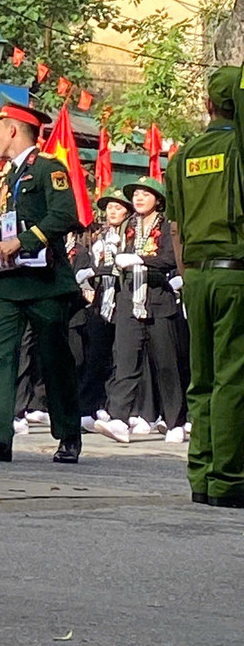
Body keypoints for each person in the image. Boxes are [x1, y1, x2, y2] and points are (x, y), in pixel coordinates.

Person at [0, 100, 82, 466]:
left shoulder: (48, 168)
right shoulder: (8, 176)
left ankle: (68, 434)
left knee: (54, 358)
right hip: (8, 281)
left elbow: (65, 215)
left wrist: (23, 241)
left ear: (12, 130)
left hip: (44, 281)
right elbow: (10, 228)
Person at [165, 64, 244, 506]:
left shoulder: (183, 156)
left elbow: (176, 229)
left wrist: (188, 278)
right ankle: (228, 479)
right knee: (233, 378)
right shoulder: (238, 149)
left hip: (195, 275)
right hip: (236, 274)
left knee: (202, 379)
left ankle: (201, 476)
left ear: (208, 104)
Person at [94, 176, 186, 445]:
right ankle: (119, 418)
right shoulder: (127, 227)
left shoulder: (167, 226)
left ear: (158, 200)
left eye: (145, 194)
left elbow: (171, 259)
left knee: (166, 365)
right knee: (126, 361)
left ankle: (175, 421)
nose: (139, 198)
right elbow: (114, 261)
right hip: (129, 300)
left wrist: (140, 259)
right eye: (136, 194)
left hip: (158, 301)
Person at [76, 188, 130, 427]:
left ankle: (115, 407)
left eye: (118, 207)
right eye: (109, 208)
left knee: (121, 357)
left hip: (124, 299)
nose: (113, 212)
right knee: (95, 355)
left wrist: (97, 270)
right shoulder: (100, 238)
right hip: (101, 301)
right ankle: (89, 407)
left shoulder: (131, 235)